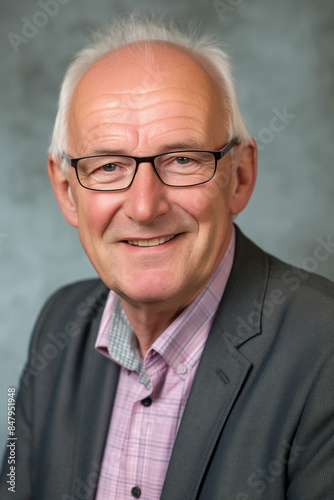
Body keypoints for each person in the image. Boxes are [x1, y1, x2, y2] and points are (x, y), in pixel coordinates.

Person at [1, 13, 333, 500]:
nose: (144, 206)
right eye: (109, 165)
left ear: (239, 176)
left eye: (182, 159)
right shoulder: (58, 324)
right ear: (67, 191)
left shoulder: (323, 349)